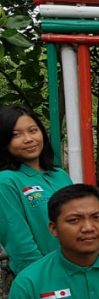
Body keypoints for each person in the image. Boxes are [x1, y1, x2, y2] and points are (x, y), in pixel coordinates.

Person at [0, 106, 73, 275]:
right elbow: (19, 244)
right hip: (46, 278)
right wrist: (43, 279)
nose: (28, 139)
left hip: (79, 271)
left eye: (33, 130)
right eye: (15, 135)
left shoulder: (59, 175)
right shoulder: (6, 181)